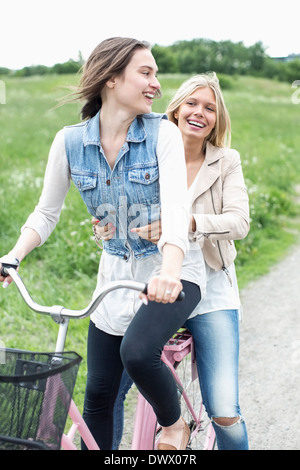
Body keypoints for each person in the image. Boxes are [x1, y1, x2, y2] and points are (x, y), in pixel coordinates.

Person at [0, 38, 206, 451]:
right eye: (146, 73)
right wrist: (12, 258)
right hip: (114, 278)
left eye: (156, 74)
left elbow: (176, 210)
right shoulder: (69, 143)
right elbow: (45, 214)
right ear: (111, 78)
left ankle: (175, 425)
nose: (157, 85)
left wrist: (168, 273)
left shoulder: (162, 135)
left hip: (174, 272)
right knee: (98, 394)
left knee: (138, 351)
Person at [94, 72, 250, 450]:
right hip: (156, 278)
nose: (200, 113)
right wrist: (108, 226)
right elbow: (121, 208)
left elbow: (239, 222)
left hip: (208, 286)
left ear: (217, 119)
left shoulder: (225, 161)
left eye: (210, 108)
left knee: (224, 408)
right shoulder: (147, 151)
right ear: (176, 109)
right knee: (108, 390)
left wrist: (186, 223)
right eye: (192, 103)